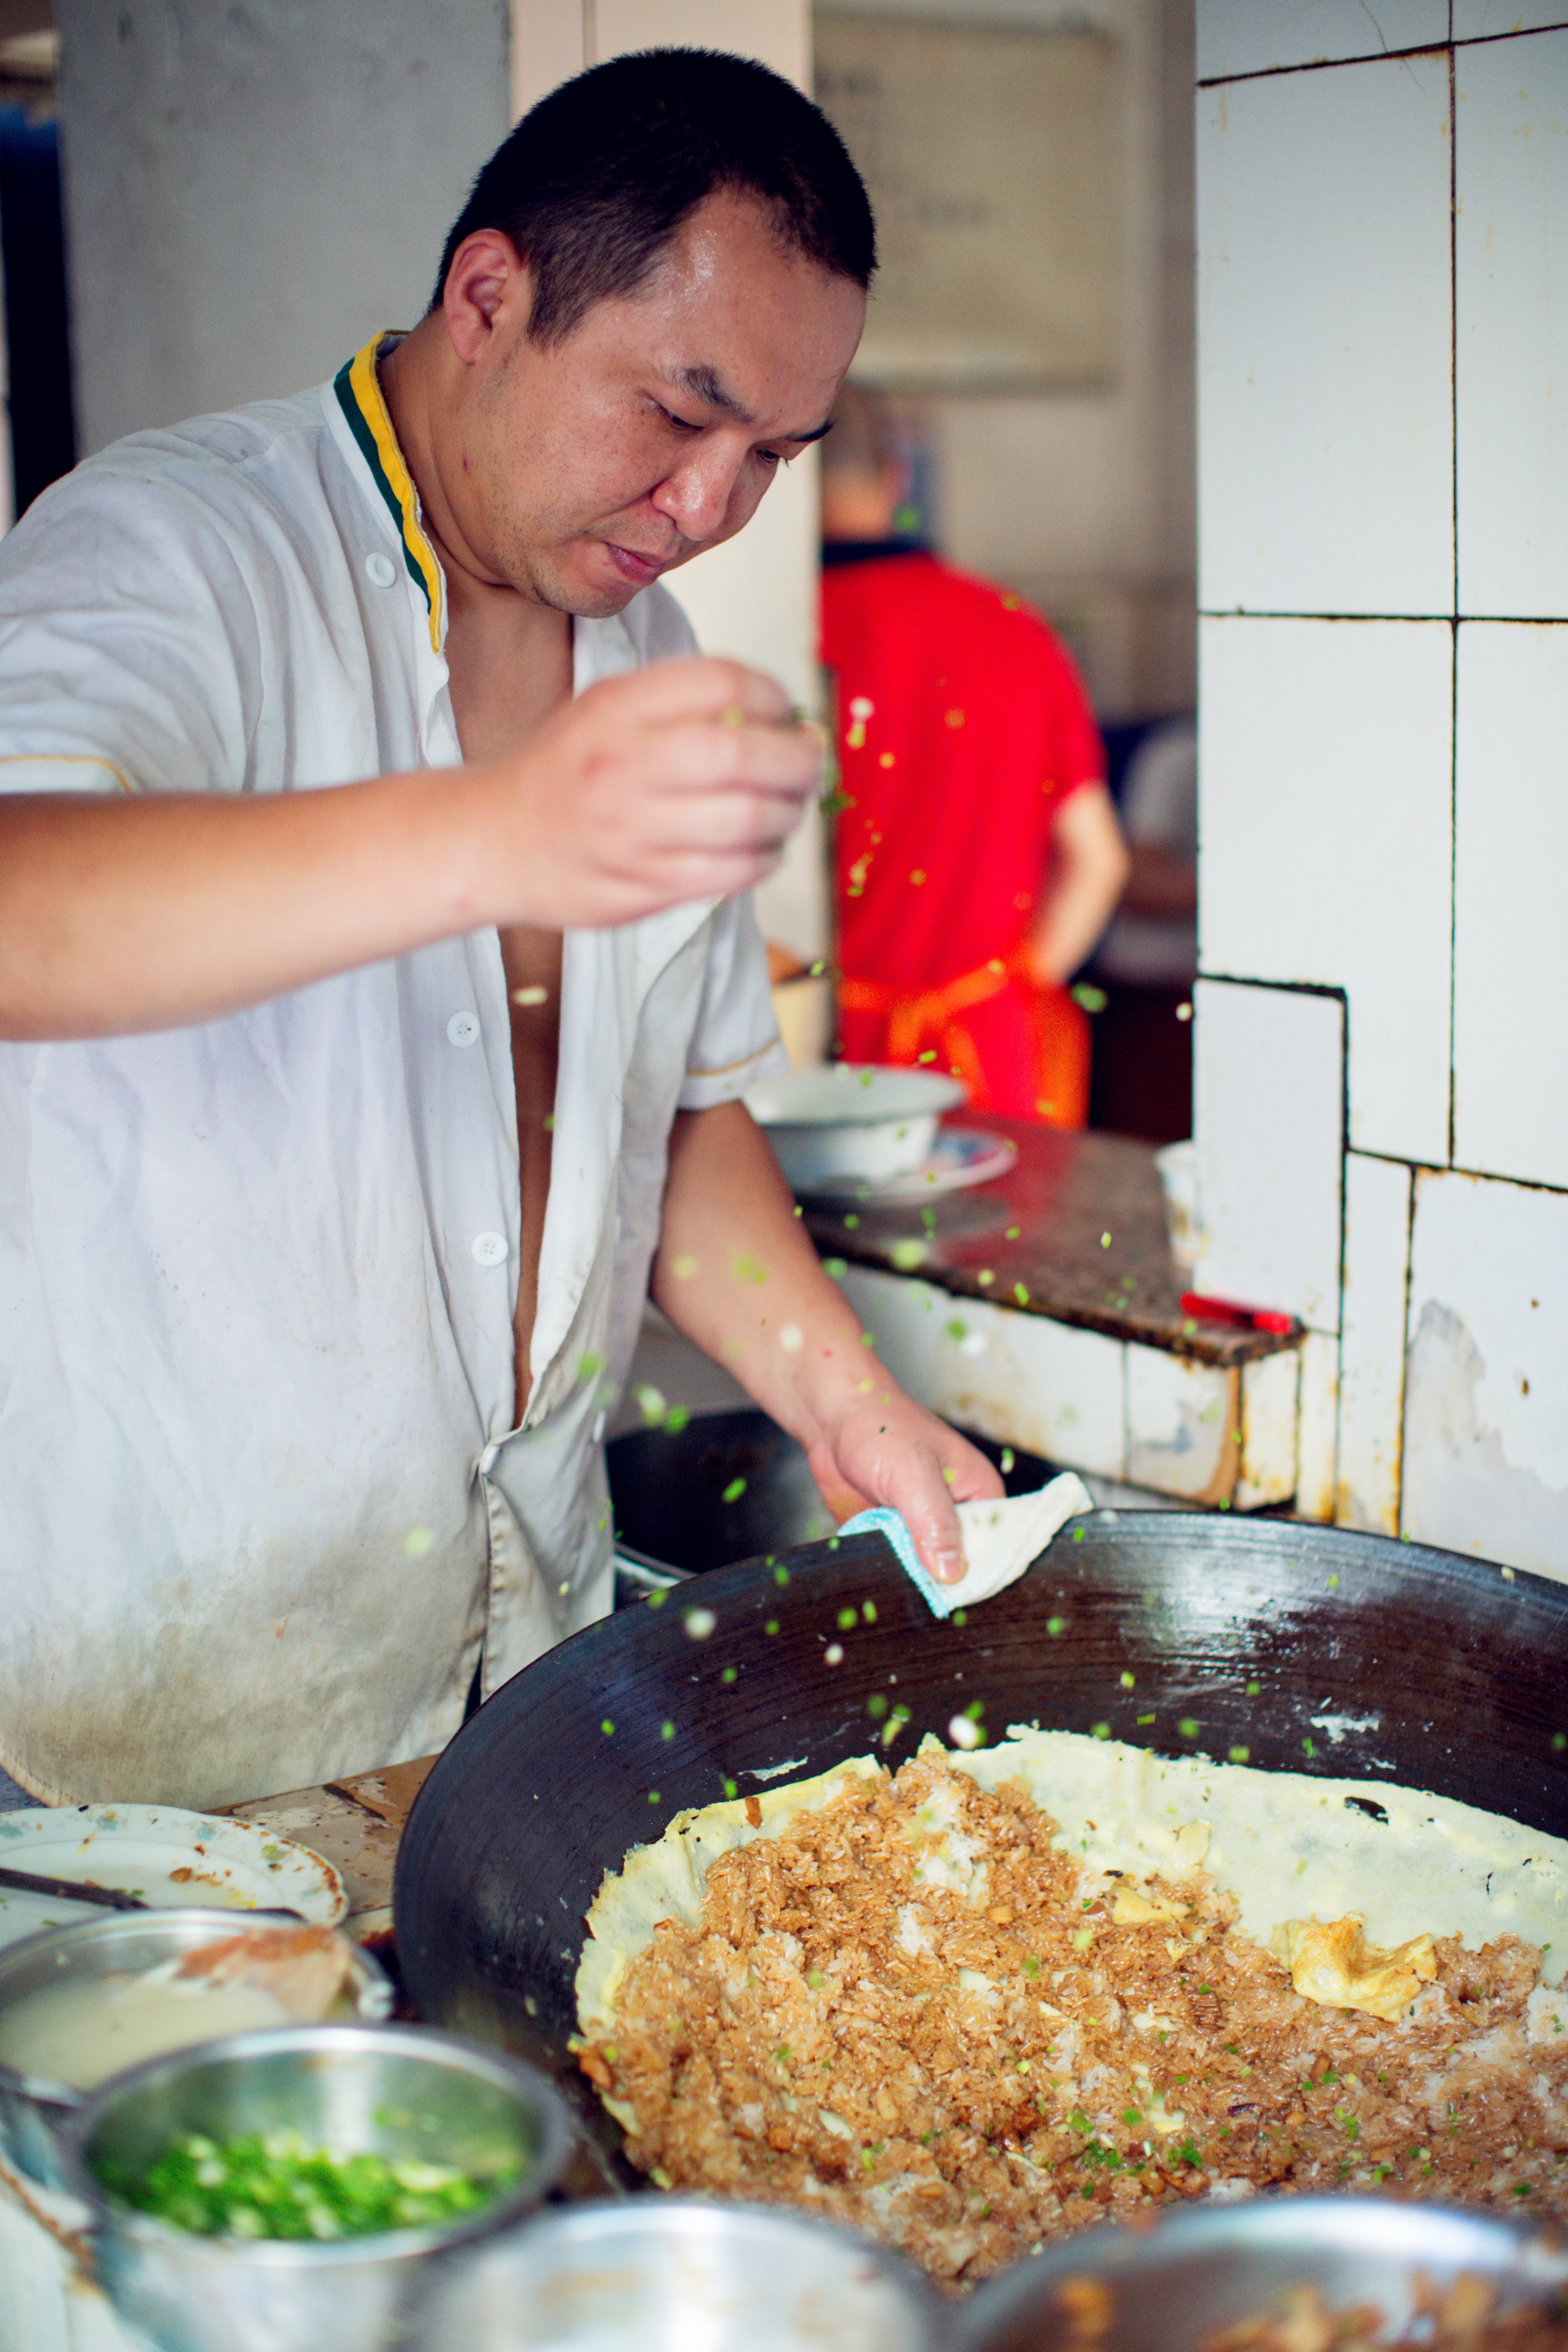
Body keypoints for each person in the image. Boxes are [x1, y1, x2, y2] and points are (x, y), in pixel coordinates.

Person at [0, 51, 1000, 1813]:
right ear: (490, 296)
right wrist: (494, 831)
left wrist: (842, 1400)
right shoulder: (181, 546)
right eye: (675, 414)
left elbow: (673, 1117)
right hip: (179, 1712)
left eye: (771, 452)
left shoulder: (649, 651)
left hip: (520, 1661)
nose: (710, 505)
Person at [819, 385, 1129, 1124]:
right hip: (990, 1062)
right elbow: (1099, 862)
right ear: (897, 477)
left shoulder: (785, 633)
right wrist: (998, 990)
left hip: (824, 1065)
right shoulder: (1011, 626)